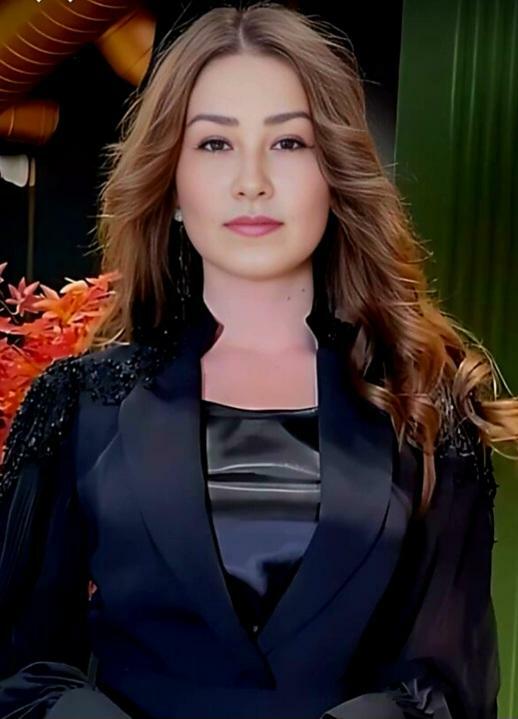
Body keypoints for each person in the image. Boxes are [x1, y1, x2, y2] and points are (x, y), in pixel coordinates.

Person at [0, 2, 514, 717]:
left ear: (334, 174)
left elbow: (451, 684)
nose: (252, 181)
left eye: (289, 143)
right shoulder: (79, 403)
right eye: (214, 143)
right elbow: (19, 668)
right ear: (172, 184)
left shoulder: (427, 406)